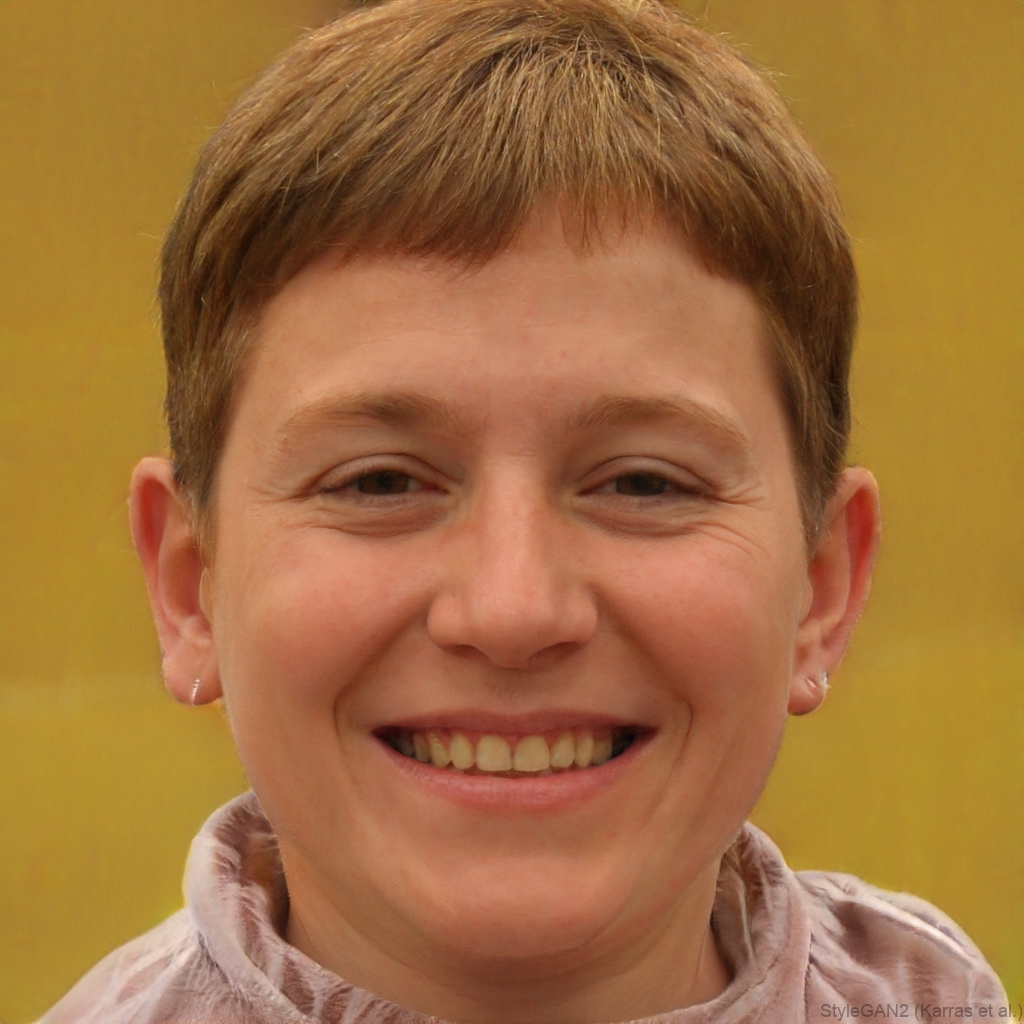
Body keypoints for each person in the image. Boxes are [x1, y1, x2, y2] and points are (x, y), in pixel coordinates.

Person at [41, 1, 1008, 1021]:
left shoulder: (937, 999)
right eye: (379, 483)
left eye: (643, 483)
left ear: (820, 587)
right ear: (189, 587)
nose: (513, 611)